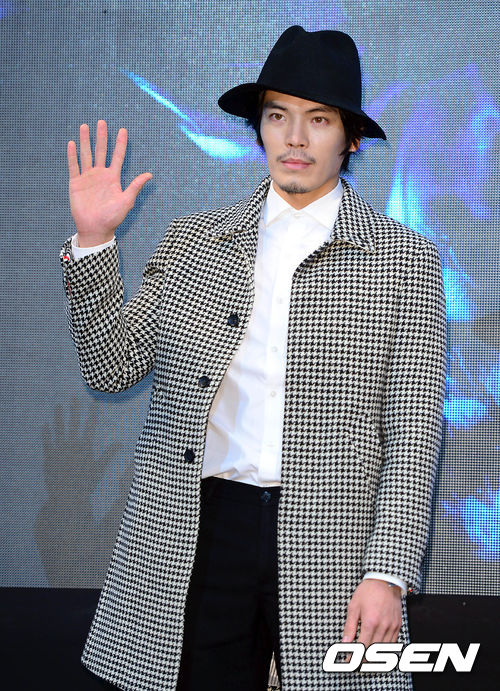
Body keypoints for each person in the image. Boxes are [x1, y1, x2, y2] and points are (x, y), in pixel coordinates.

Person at [61, 26, 447, 691]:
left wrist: (387, 571)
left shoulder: (403, 259)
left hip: (334, 539)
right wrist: (94, 243)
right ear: (259, 129)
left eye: (318, 119)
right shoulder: (195, 241)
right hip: (202, 531)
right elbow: (112, 366)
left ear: (351, 137)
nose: (294, 138)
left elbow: (412, 429)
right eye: (277, 116)